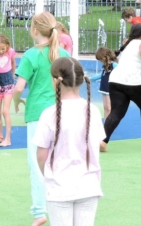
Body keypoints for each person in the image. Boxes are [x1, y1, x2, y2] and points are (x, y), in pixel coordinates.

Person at [13, 11, 70, 226]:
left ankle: (39, 212)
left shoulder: (31, 55)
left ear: (34, 30)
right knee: (60, 159)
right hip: (60, 111)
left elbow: (19, 87)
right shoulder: (63, 52)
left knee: (37, 163)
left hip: (38, 113)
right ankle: (62, 203)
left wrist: (16, 101)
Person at [33, 57, 105, 226]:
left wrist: (50, 175)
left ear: (55, 81)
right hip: (88, 185)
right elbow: (97, 143)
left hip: (59, 187)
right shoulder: (92, 111)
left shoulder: (49, 114)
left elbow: (41, 155)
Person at [101, 23, 141, 152]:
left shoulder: (127, 44)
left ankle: (102, 140)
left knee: (116, 112)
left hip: (116, 80)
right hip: (134, 81)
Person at [90, 47, 117, 119]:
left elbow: (120, 73)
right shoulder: (105, 65)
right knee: (105, 107)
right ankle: (106, 124)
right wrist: (91, 79)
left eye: (101, 59)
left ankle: (109, 125)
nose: (100, 61)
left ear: (105, 57)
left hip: (110, 88)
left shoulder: (113, 65)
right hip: (104, 87)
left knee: (109, 107)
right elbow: (101, 75)